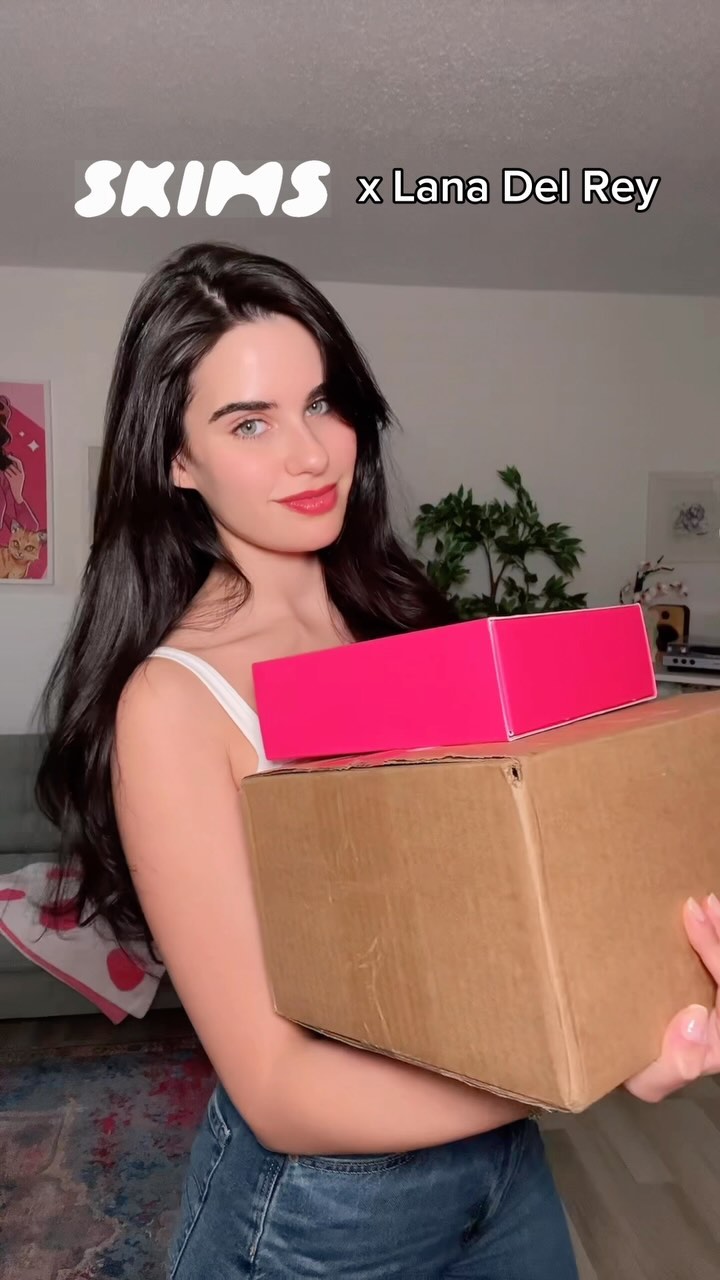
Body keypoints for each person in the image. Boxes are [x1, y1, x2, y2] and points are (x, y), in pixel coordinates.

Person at [35, 242, 720, 1279]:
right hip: (322, 1212)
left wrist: (643, 973)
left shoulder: (402, 632)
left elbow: (502, 915)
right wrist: (581, 1063)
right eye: (250, 422)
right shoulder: (173, 703)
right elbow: (277, 1086)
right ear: (177, 459)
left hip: (502, 1169)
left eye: (323, 404)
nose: (312, 455)